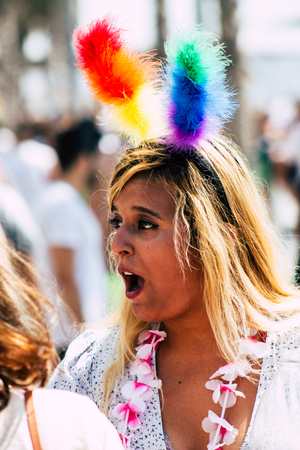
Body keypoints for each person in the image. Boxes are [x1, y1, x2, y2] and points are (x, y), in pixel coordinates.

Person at [48, 17, 300, 450]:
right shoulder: (89, 368)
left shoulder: (292, 357)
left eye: (145, 224)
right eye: (115, 222)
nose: (117, 244)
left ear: (219, 239)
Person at [0, 227, 123, 450]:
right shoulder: (71, 421)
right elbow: (64, 274)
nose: (116, 245)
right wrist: (82, 332)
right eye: (116, 222)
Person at [35, 119, 107, 328]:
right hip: (69, 337)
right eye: (98, 157)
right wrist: (83, 330)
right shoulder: (62, 203)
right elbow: (64, 275)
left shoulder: (66, 199)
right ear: (84, 160)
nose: (101, 164)